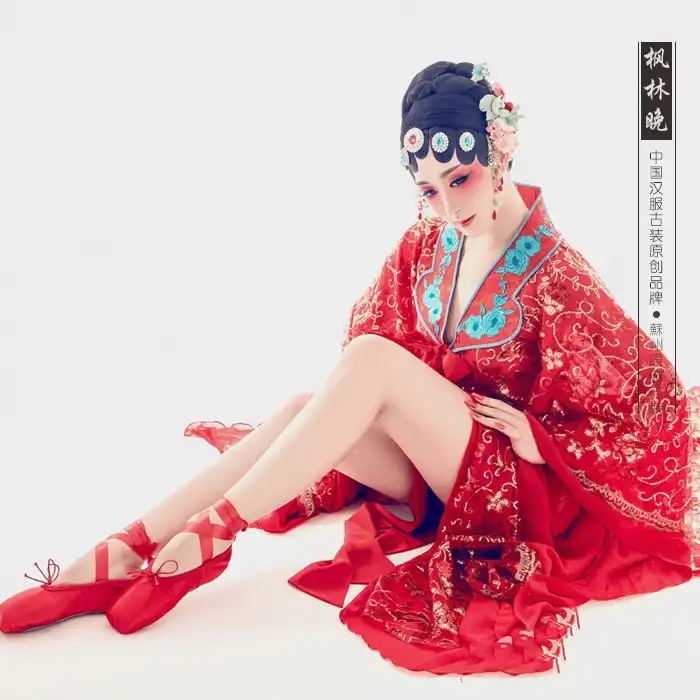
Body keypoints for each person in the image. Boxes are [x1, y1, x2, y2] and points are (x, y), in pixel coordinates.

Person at [2, 60, 699, 676]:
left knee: (364, 366)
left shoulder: (559, 276)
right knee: (297, 410)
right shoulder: (430, 240)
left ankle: (211, 536)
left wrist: (540, 441)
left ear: (502, 149)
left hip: (511, 491)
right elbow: (374, 353)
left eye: (461, 178)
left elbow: (650, 407)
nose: (448, 206)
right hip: (438, 469)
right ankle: (128, 547)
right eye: (429, 190)